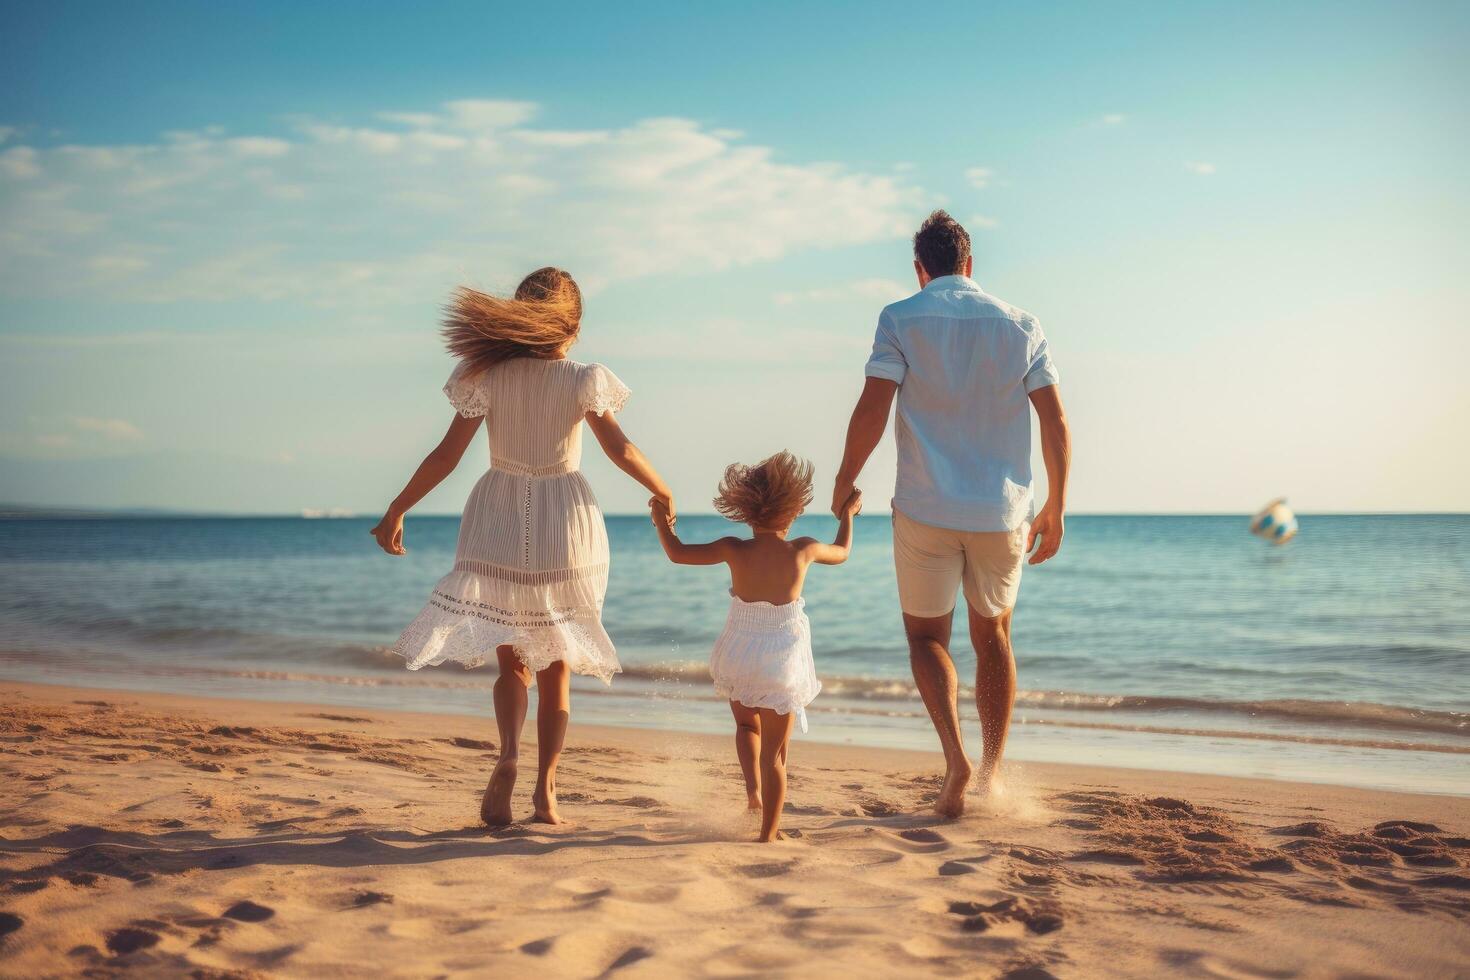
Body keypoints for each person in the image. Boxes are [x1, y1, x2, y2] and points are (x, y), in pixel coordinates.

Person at [371, 267, 673, 827]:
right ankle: (546, 791)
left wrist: (398, 507)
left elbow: (446, 455)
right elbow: (621, 450)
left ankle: (507, 755)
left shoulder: (486, 375)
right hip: (564, 517)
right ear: (574, 327)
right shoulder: (583, 378)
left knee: (512, 663)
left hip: (499, 513)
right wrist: (661, 488)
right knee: (557, 666)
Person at [831, 211, 1072, 818]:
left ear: (920, 269)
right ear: (970, 265)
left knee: (926, 637)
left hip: (925, 507)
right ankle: (990, 771)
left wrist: (844, 478)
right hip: (1001, 511)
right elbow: (1055, 420)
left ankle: (955, 757)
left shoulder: (900, 318)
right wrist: (1057, 506)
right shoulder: (1022, 324)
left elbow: (872, 407)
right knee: (993, 636)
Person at [649, 452, 861, 842]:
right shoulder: (804, 550)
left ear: (746, 511)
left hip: (740, 654)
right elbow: (843, 551)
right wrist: (849, 513)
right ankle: (768, 834)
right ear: (794, 510)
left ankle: (753, 797)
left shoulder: (734, 549)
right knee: (775, 756)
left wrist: (661, 522)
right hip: (782, 661)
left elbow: (678, 553)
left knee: (747, 725)